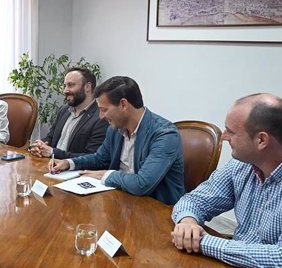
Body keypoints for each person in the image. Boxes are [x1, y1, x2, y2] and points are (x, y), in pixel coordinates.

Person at [171, 94, 282, 268]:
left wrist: (202, 242)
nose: (224, 137)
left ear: (261, 140)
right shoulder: (242, 165)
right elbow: (195, 200)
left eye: (231, 132)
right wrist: (187, 222)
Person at [49, 76, 184, 205]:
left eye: (104, 110)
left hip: (155, 212)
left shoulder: (164, 134)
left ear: (123, 105)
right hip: (120, 201)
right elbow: (100, 159)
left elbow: (142, 184)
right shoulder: (115, 128)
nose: (101, 117)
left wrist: (107, 175)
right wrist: (68, 163)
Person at [29, 67, 108, 158]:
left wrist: (53, 152)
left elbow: (92, 157)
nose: (65, 90)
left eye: (70, 85)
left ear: (87, 87)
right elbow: (50, 138)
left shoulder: (101, 117)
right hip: (50, 166)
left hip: (74, 170)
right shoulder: (63, 110)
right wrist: (39, 145)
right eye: (65, 86)